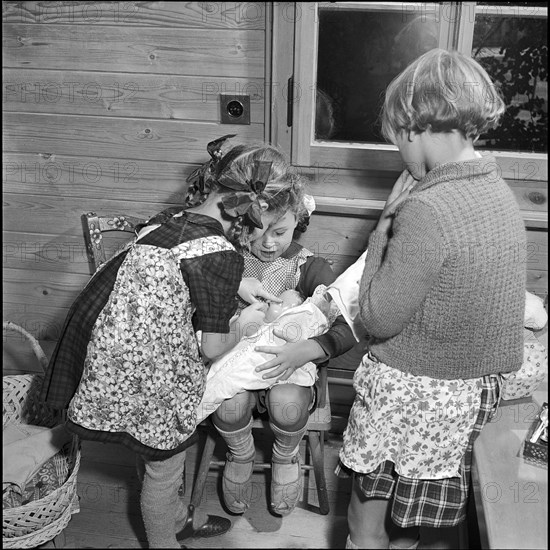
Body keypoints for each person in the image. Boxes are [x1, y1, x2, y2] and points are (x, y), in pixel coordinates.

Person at [40, 136, 299, 549]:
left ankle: (179, 516)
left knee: (151, 452)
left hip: (107, 347)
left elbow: (174, 266)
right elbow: (213, 347)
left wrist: (241, 283)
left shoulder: (171, 218)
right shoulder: (219, 254)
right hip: (148, 370)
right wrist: (246, 324)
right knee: (164, 469)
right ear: (254, 208)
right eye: (264, 223)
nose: (259, 235)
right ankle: (167, 537)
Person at [338, 49, 527, 550]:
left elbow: (377, 316)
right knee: (429, 521)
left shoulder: (426, 208)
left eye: (396, 139)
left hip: (416, 397)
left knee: (366, 518)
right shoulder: (497, 191)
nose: (399, 152)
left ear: (412, 126)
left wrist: (382, 229)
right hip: (474, 394)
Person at [211, 189, 357, 518]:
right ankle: (240, 453)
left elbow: (347, 323)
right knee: (228, 407)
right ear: (238, 224)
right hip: (238, 360)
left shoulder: (307, 265)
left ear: (298, 222)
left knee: (288, 407)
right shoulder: (227, 259)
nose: (267, 243)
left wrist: (308, 348)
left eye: (279, 232)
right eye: (254, 230)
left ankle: (285, 455)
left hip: (290, 364)